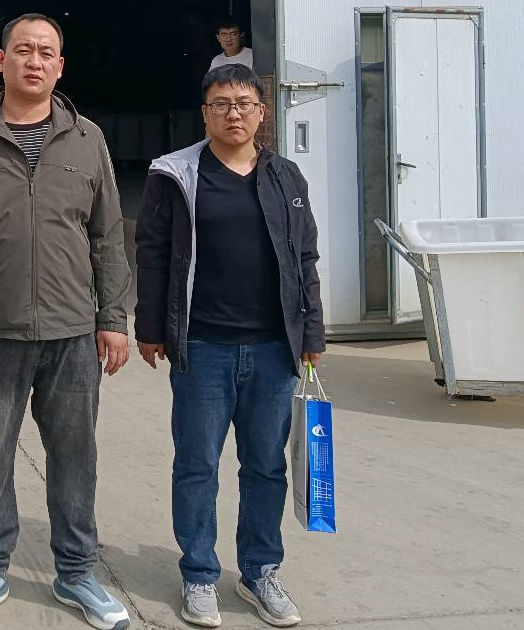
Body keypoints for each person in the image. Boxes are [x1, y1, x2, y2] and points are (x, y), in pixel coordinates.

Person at [0, 13, 133, 630]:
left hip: (73, 331)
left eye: (46, 52)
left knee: (74, 456)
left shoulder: (87, 139)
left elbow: (108, 236)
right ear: (1, 60)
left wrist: (113, 317)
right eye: (23, 50)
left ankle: (77, 573)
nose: (34, 61)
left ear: (60, 67)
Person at [133, 63, 324, 629]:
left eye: (243, 103)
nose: (233, 113)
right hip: (203, 347)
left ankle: (260, 571)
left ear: (262, 113)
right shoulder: (175, 174)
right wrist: (150, 327)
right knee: (197, 465)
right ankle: (198, 573)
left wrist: (311, 331)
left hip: (273, 349)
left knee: (265, 467)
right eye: (221, 104)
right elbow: (153, 253)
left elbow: (305, 257)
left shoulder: (286, 176)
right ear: (205, 114)